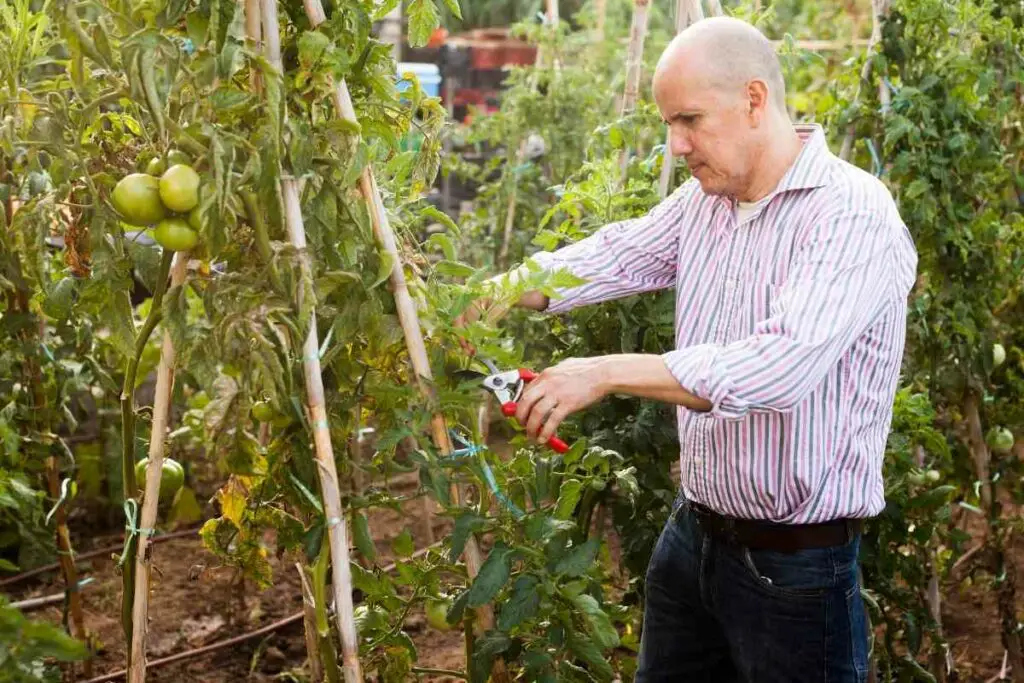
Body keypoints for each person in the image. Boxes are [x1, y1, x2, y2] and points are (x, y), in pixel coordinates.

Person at [456, 15, 918, 683]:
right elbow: (616, 253)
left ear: (755, 100)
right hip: (694, 538)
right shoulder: (709, 203)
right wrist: (494, 293)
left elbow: (779, 366)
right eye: (669, 123)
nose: (676, 145)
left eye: (690, 120)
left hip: (795, 570)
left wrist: (605, 371)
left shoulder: (852, 214)